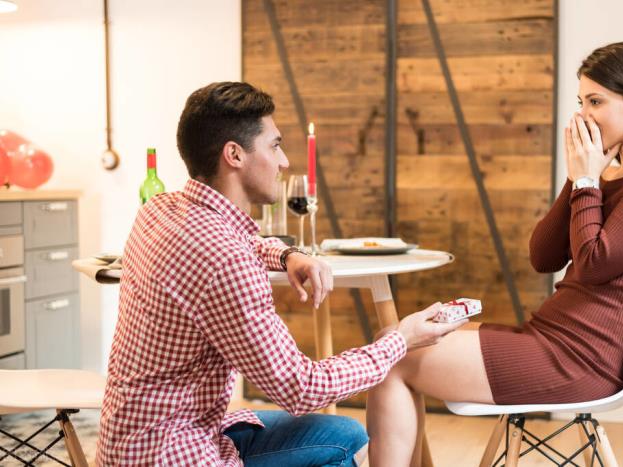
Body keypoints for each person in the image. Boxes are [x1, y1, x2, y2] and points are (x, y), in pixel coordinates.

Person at [95, 82, 463, 466]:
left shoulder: (160, 209)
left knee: (346, 433)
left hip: (135, 440)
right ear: (234, 155)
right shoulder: (226, 262)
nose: (284, 161)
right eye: (274, 146)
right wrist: (401, 340)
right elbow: (301, 388)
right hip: (173, 453)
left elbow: (242, 240)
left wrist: (288, 255)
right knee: (340, 453)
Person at [366, 41, 623, 466]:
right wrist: (579, 178)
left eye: (596, 101)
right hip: (547, 338)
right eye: (581, 102)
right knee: (390, 341)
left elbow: (593, 264)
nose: (583, 115)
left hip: (581, 359)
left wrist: (586, 182)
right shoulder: (603, 173)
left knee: (391, 359)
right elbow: (543, 257)